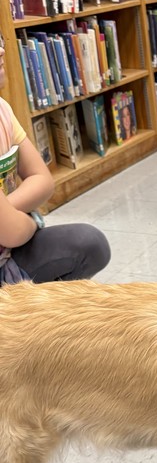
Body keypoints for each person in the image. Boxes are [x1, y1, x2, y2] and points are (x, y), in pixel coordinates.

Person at [0, 34, 111, 285]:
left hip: (7, 249)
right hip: (12, 241)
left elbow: (42, 180)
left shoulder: (3, 110)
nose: (1, 52)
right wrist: (27, 220)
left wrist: (6, 211)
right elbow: (13, 234)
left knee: (89, 243)